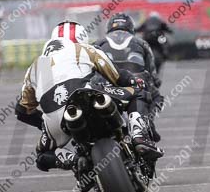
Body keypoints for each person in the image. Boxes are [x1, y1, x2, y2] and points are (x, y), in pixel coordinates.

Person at [15, 20, 162, 181]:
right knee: (138, 93)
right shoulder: (84, 48)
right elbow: (118, 77)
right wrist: (134, 81)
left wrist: (43, 123)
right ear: (81, 38)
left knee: (42, 156)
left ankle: (75, 161)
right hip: (87, 95)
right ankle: (139, 136)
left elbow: (22, 111)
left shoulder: (34, 67)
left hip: (56, 118)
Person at [95, 13, 163, 141]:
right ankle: (147, 123)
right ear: (130, 27)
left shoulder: (98, 43)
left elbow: (89, 70)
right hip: (135, 83)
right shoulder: (142, 43)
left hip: (105, 84)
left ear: (109, 27)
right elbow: (152, 71)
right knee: (158, 97)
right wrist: (155, 81)